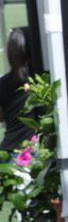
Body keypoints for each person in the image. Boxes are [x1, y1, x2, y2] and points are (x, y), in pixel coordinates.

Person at [0, 27, 34, 155]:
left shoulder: (3, 83)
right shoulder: (39, 80)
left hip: (8, 150)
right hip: (31, 152)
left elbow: (1, 117)